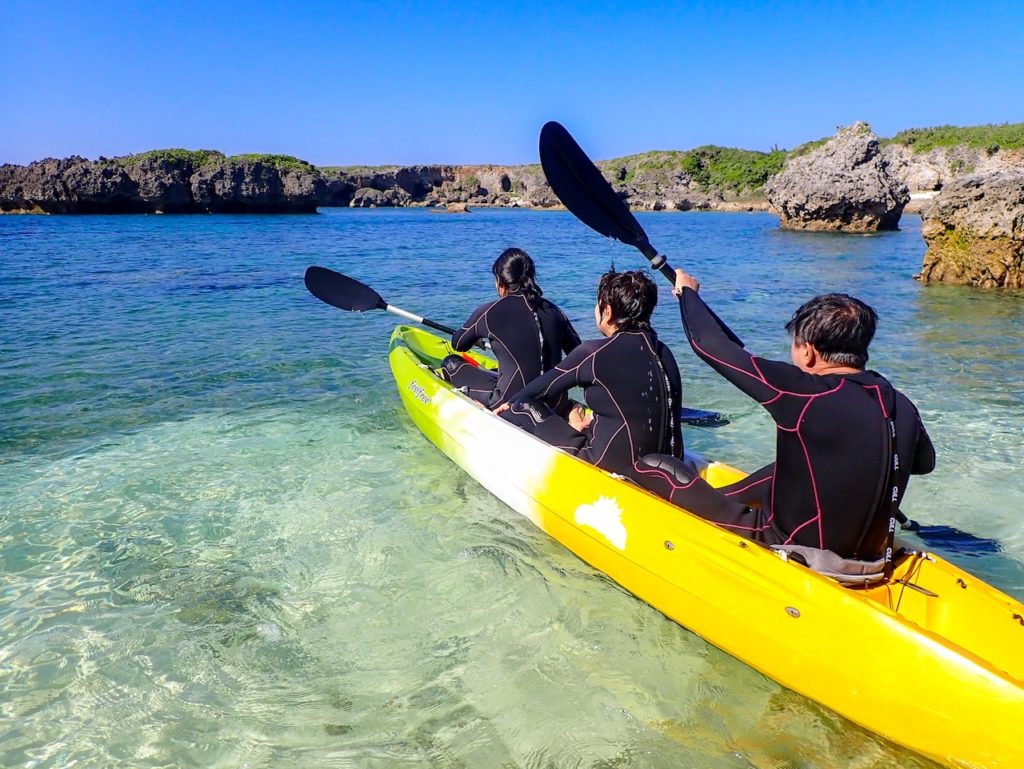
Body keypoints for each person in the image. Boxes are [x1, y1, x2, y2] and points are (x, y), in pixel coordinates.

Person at [633, 268, 935, 563]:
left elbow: (708, 345)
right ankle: (723, 496)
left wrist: (688, 293)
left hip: (787, 544)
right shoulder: (901, 403)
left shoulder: (805, 392)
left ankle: (706, 505)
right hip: (871, 555)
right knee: (792, 464)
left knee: (653, 466)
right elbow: (923, 463)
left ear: (808, 352)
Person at [496, 270, 683, 478]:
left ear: (608, 312)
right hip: (669, 466)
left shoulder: (593, 353)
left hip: (605, 465)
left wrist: (507, 405)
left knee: (524, 406)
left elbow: (537, 391)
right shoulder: (665, 352)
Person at [439, 248, 581, 409]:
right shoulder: (556, 311)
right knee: (500, 371)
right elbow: (579, 355)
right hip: (556, 403)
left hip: (508, 403)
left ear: (500, 282)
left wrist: (476, 338)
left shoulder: (488, 312)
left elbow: (458, 344)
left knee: (451, 363)